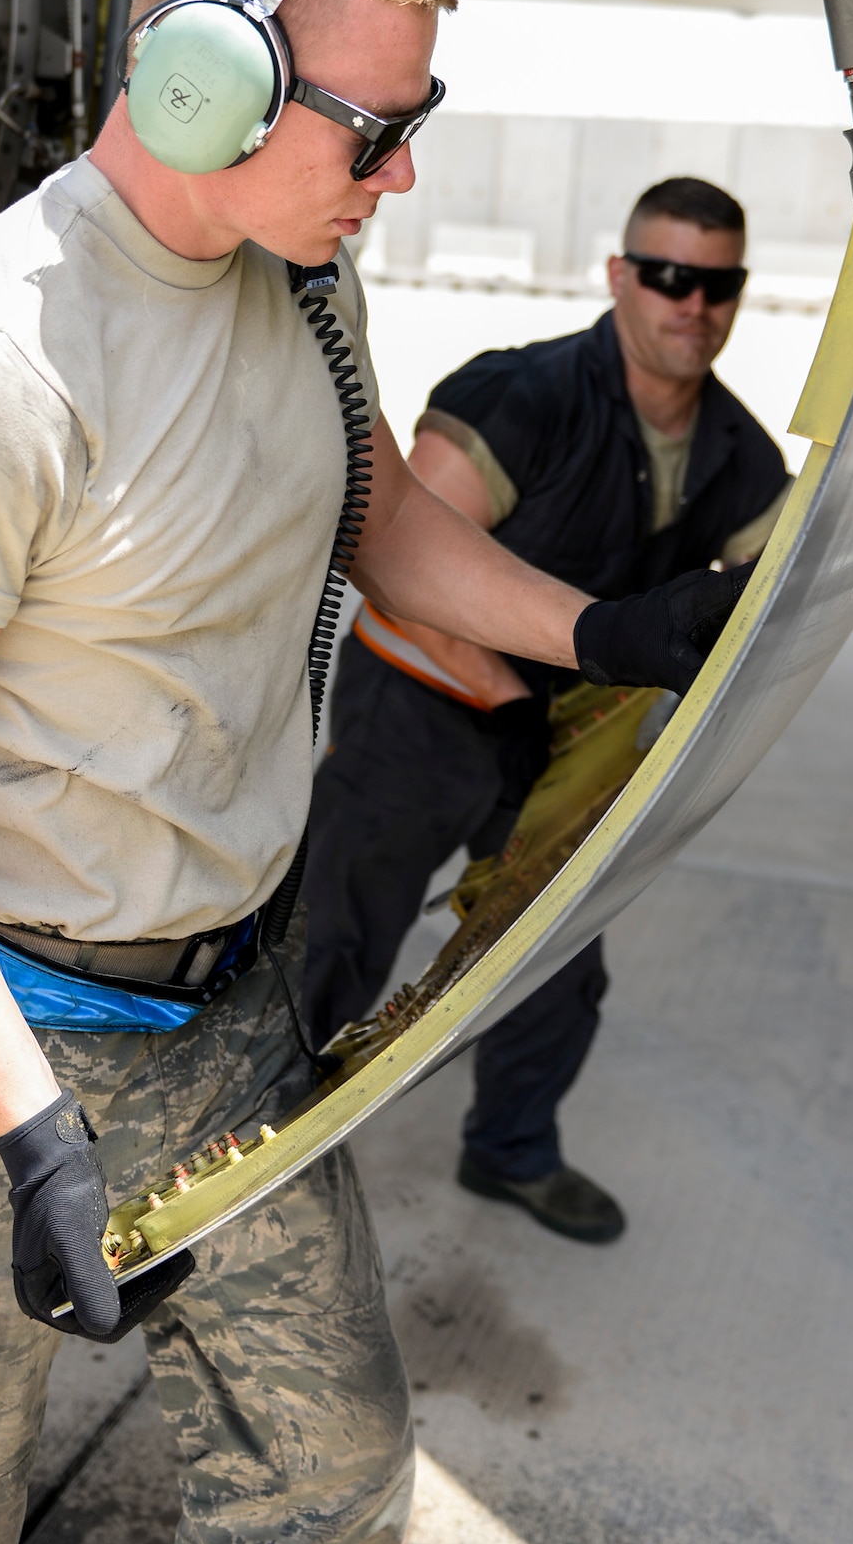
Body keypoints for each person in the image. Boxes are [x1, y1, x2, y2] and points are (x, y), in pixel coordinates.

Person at [0, 0, 750, 1544]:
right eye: (377, 130)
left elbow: (361, 509)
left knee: (328, 1482)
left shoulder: (301, 278)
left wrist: (595, 628)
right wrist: (35, 1130)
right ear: (202, 85)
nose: (408, 172)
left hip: (232, 1029)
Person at [302, 178, 789, 1245]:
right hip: (418, 709)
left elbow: (775, 606)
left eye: (715, 282)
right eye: (666, 276)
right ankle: (269, 1143)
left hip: (562, 738)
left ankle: (509, 1149)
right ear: (620, 276)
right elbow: (398, 568)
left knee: (555, 961)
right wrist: (511, 695)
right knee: (337, 937)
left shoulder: (740, 454)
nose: (690, 303)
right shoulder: (521, 397)